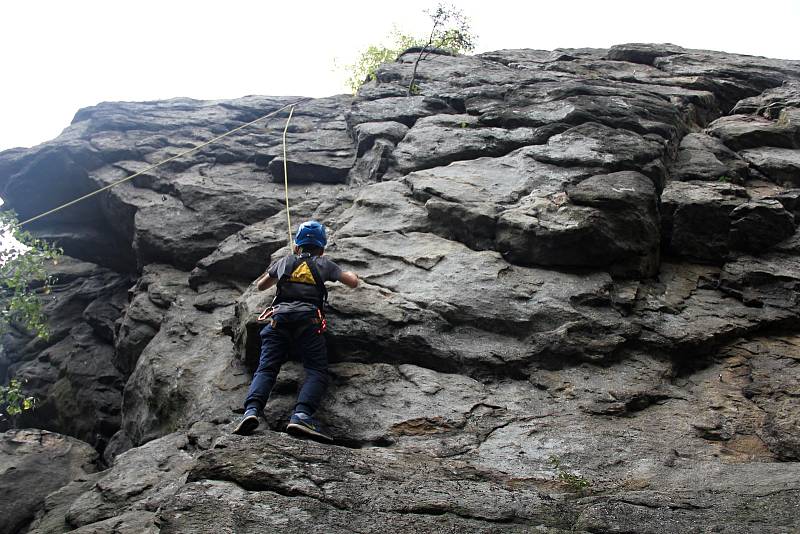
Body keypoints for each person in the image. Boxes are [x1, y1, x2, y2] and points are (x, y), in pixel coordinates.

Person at [232, 220, 358, 441]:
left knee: (267, 369)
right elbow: (352, 283)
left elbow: (262, 286)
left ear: (297, 246)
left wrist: (283, 267)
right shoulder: (325, 264)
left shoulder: (285, 261)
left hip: (277, 321)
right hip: (308, 322)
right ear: (322, 248)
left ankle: (251, 411)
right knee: (317, 370)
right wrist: (352, 274)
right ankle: (301, 415)